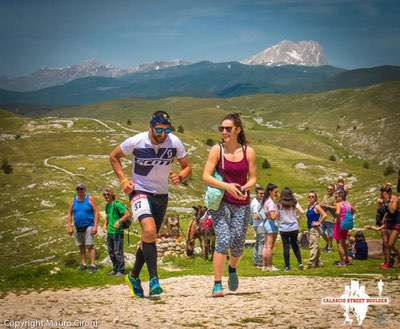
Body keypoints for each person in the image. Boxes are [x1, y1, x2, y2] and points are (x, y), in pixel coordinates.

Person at [109, 110, 191, 297]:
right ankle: (154, 279)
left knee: (149, 237)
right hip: (139, 191)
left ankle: (133, 276)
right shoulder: (136, 141)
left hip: (161, 194)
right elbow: (113, 157)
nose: (163, 134)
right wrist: (123, 180)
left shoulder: (174, 142)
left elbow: (187, 167)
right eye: (159, 129)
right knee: (149, 230)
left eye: (167, 130)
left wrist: (180, 176)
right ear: (151, 127)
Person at [203, 112, 256, 297]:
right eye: (221, 128)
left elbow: (254, 179)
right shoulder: (217, 150)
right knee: (223, 239)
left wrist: (243, 188)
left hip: (242, 203)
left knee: (237, 243)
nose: (224, 131)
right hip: (220, 203)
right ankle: (217, 284)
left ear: (238, 130)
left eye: (228, 128)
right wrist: (227, 186)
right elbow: (206, 176)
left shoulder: (248, 151)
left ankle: (232, 268)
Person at [66, 183, 99, 273]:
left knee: (89, 245)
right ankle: (84, 264)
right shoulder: (73, 200)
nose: (80, 191)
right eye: (78, 189)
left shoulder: (89, 198)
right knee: (81, 246)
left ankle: (92, 265)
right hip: (77, 226)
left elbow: (96, 212)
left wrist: (95, 226)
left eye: (81, 189)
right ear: (76, 190)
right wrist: (69, 226)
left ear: (85, 190)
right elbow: (69, 213)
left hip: (89, 225)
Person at [102, 187, 131, 276]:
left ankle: (121, 270)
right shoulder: (107, 205)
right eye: (104, 195)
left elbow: (127, 214)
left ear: (112, 195)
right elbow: (107, 216)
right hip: (110, 232)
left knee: (118, 251)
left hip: (117, 232)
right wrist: (104, 225)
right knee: (111, 251)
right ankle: (115, 269)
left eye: (108, 194)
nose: (106, 196)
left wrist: (119, 221)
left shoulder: (117, 204)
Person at [276, 188, 304, 272]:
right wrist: (297, 217)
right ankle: (300, 263)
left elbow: (277, 216)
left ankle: (287, 267)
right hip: (294, 227)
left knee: (286, 247)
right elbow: (302, 211)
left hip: (283, 228)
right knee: (295, 245)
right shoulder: (294, 203)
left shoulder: (279, 204)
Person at [305, 191, 327, 268]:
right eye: (309, 196)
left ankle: (311, 263)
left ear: (315, 198)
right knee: (315, 245)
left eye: (312, 196)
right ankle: (318, 262)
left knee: (313, 245)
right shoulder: (309, 206)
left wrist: (318, 222)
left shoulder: (316, 206)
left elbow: (324, 215)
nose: (311, 198)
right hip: (309, 228)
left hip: (314, 229)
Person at [261, 183, 280, 271]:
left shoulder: (266, 201)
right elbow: (273, 216)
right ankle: (269, 266)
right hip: (271, 224)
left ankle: (265, 266)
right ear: (270, 192)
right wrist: (278, 209)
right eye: (275, 192)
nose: (277, 193)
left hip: (266, 223)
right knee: (269, 246)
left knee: (265, 246)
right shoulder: (271, 203)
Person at [334, 190, 355, 266]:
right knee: (344, 242)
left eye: (336, 197)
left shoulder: (339, 204)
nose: (336, 198)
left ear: (340, 197)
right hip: (346, 225)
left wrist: (336, 215)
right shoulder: (348, 203)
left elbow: (338, 212)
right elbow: (353, 211)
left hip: (339, 224)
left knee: (339, 242)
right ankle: (346, 259)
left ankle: (342, 261)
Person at [380, 187, 400, 269]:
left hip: (396, 222)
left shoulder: (395, 198)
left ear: (389, 192)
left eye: (385, 193)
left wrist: (388, 201)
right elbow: (385, 211)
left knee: (390, 244)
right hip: (388, 222)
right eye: (382, 193)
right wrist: (383, 218)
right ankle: (387, 264)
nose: (383, 195)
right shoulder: (383, 199)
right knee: (386, 244)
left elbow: (392, 210)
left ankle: (399, 256)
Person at [250, 185, 265, 267]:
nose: (262, 195)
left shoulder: (257, 201)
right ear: (256, 194)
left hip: (257, 225)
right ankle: (260, 261)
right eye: (260, 193)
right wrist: (266, 215)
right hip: (260, 225)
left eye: (263, 193)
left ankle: (255, 260)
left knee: (258, 243)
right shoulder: (256, 203)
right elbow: (256, 216)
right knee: (261, 243)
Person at [320, 184, 336, 252]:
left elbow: (336, 207)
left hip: (330, 218)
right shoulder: (325, 196)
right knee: (321, 232)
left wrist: (327, 206)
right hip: (323, 217)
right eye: (328, 189)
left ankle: (329, 247)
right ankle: (329, 243)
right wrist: (320, 205)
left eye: (330, 189)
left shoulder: (334, 198)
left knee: (330, 234)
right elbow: (322, 203)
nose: (329, 190)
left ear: (333, 190)